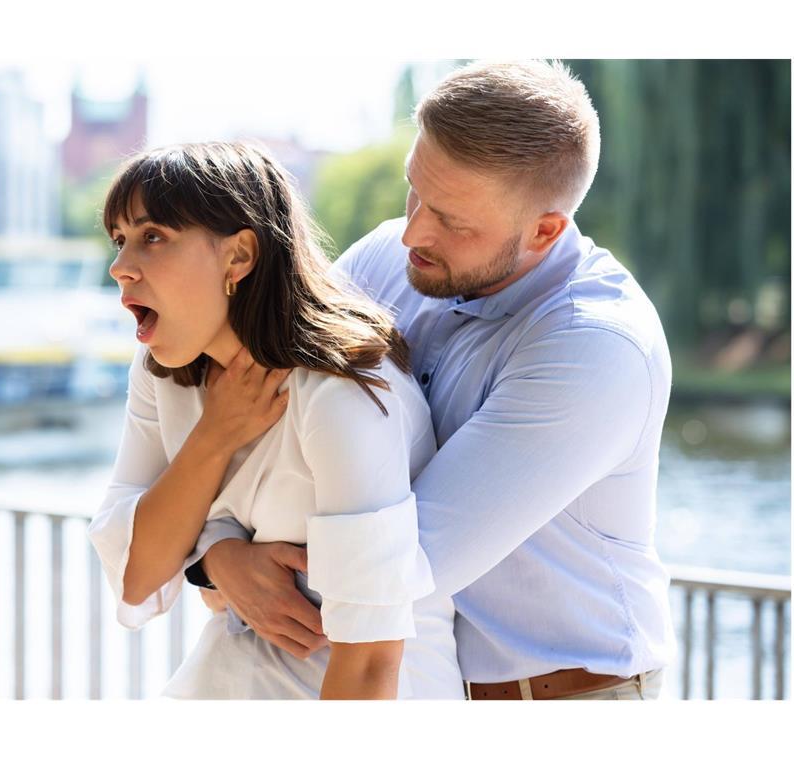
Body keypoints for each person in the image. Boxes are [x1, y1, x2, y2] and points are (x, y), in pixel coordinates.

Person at [187, 60, 676, 700]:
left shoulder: (596, 350)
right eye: (414, 190)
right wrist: (218, 555)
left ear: (546, 230)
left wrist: (221, 555)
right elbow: (258, 435)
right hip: (424, 683)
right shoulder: (389, 257)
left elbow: (395, 564)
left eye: (453, 220)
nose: (413, 230)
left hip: (564, 700)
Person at [86, 141, 463, 699]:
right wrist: (215, 439)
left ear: (238, 257)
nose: (120, 267)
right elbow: (139, 574)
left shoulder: (341, 391)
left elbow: (370, 662)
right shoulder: (163, 371)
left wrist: (208, 544)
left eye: (153, 237)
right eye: (120, 241)